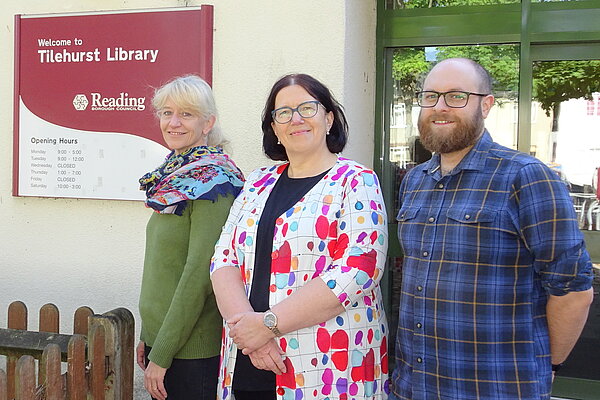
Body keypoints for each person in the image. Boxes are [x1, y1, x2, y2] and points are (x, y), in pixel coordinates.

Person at [390, 58, 594, 400]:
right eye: (430, 96)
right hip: (414, 387)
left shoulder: (526, 176)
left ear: (486, 105)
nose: (440, 107)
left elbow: (573, 290)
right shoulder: (414, 181)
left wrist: (548, 365)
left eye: (456, 96)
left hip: (496, 388)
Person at [210, 73, 390, 400]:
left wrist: (267, 324)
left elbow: (358, 269)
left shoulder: (357, 181)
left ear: (329, 118)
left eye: (308, 108)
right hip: (252, 358)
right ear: (275, 129)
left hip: (329, 368)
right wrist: (253, 336)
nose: (296, 119)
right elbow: (223, 258)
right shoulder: (257, 182)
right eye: (284, 113)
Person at [137, 75, 244, 400]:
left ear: (207, 122)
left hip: (191, 350)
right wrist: (150, 336)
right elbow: (163, 265)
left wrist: (163, 352)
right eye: (167, 113)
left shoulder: (214, 182)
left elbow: (199, 275)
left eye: (186, 114)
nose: (173, 122)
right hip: (165, 340)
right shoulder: (176, 173)